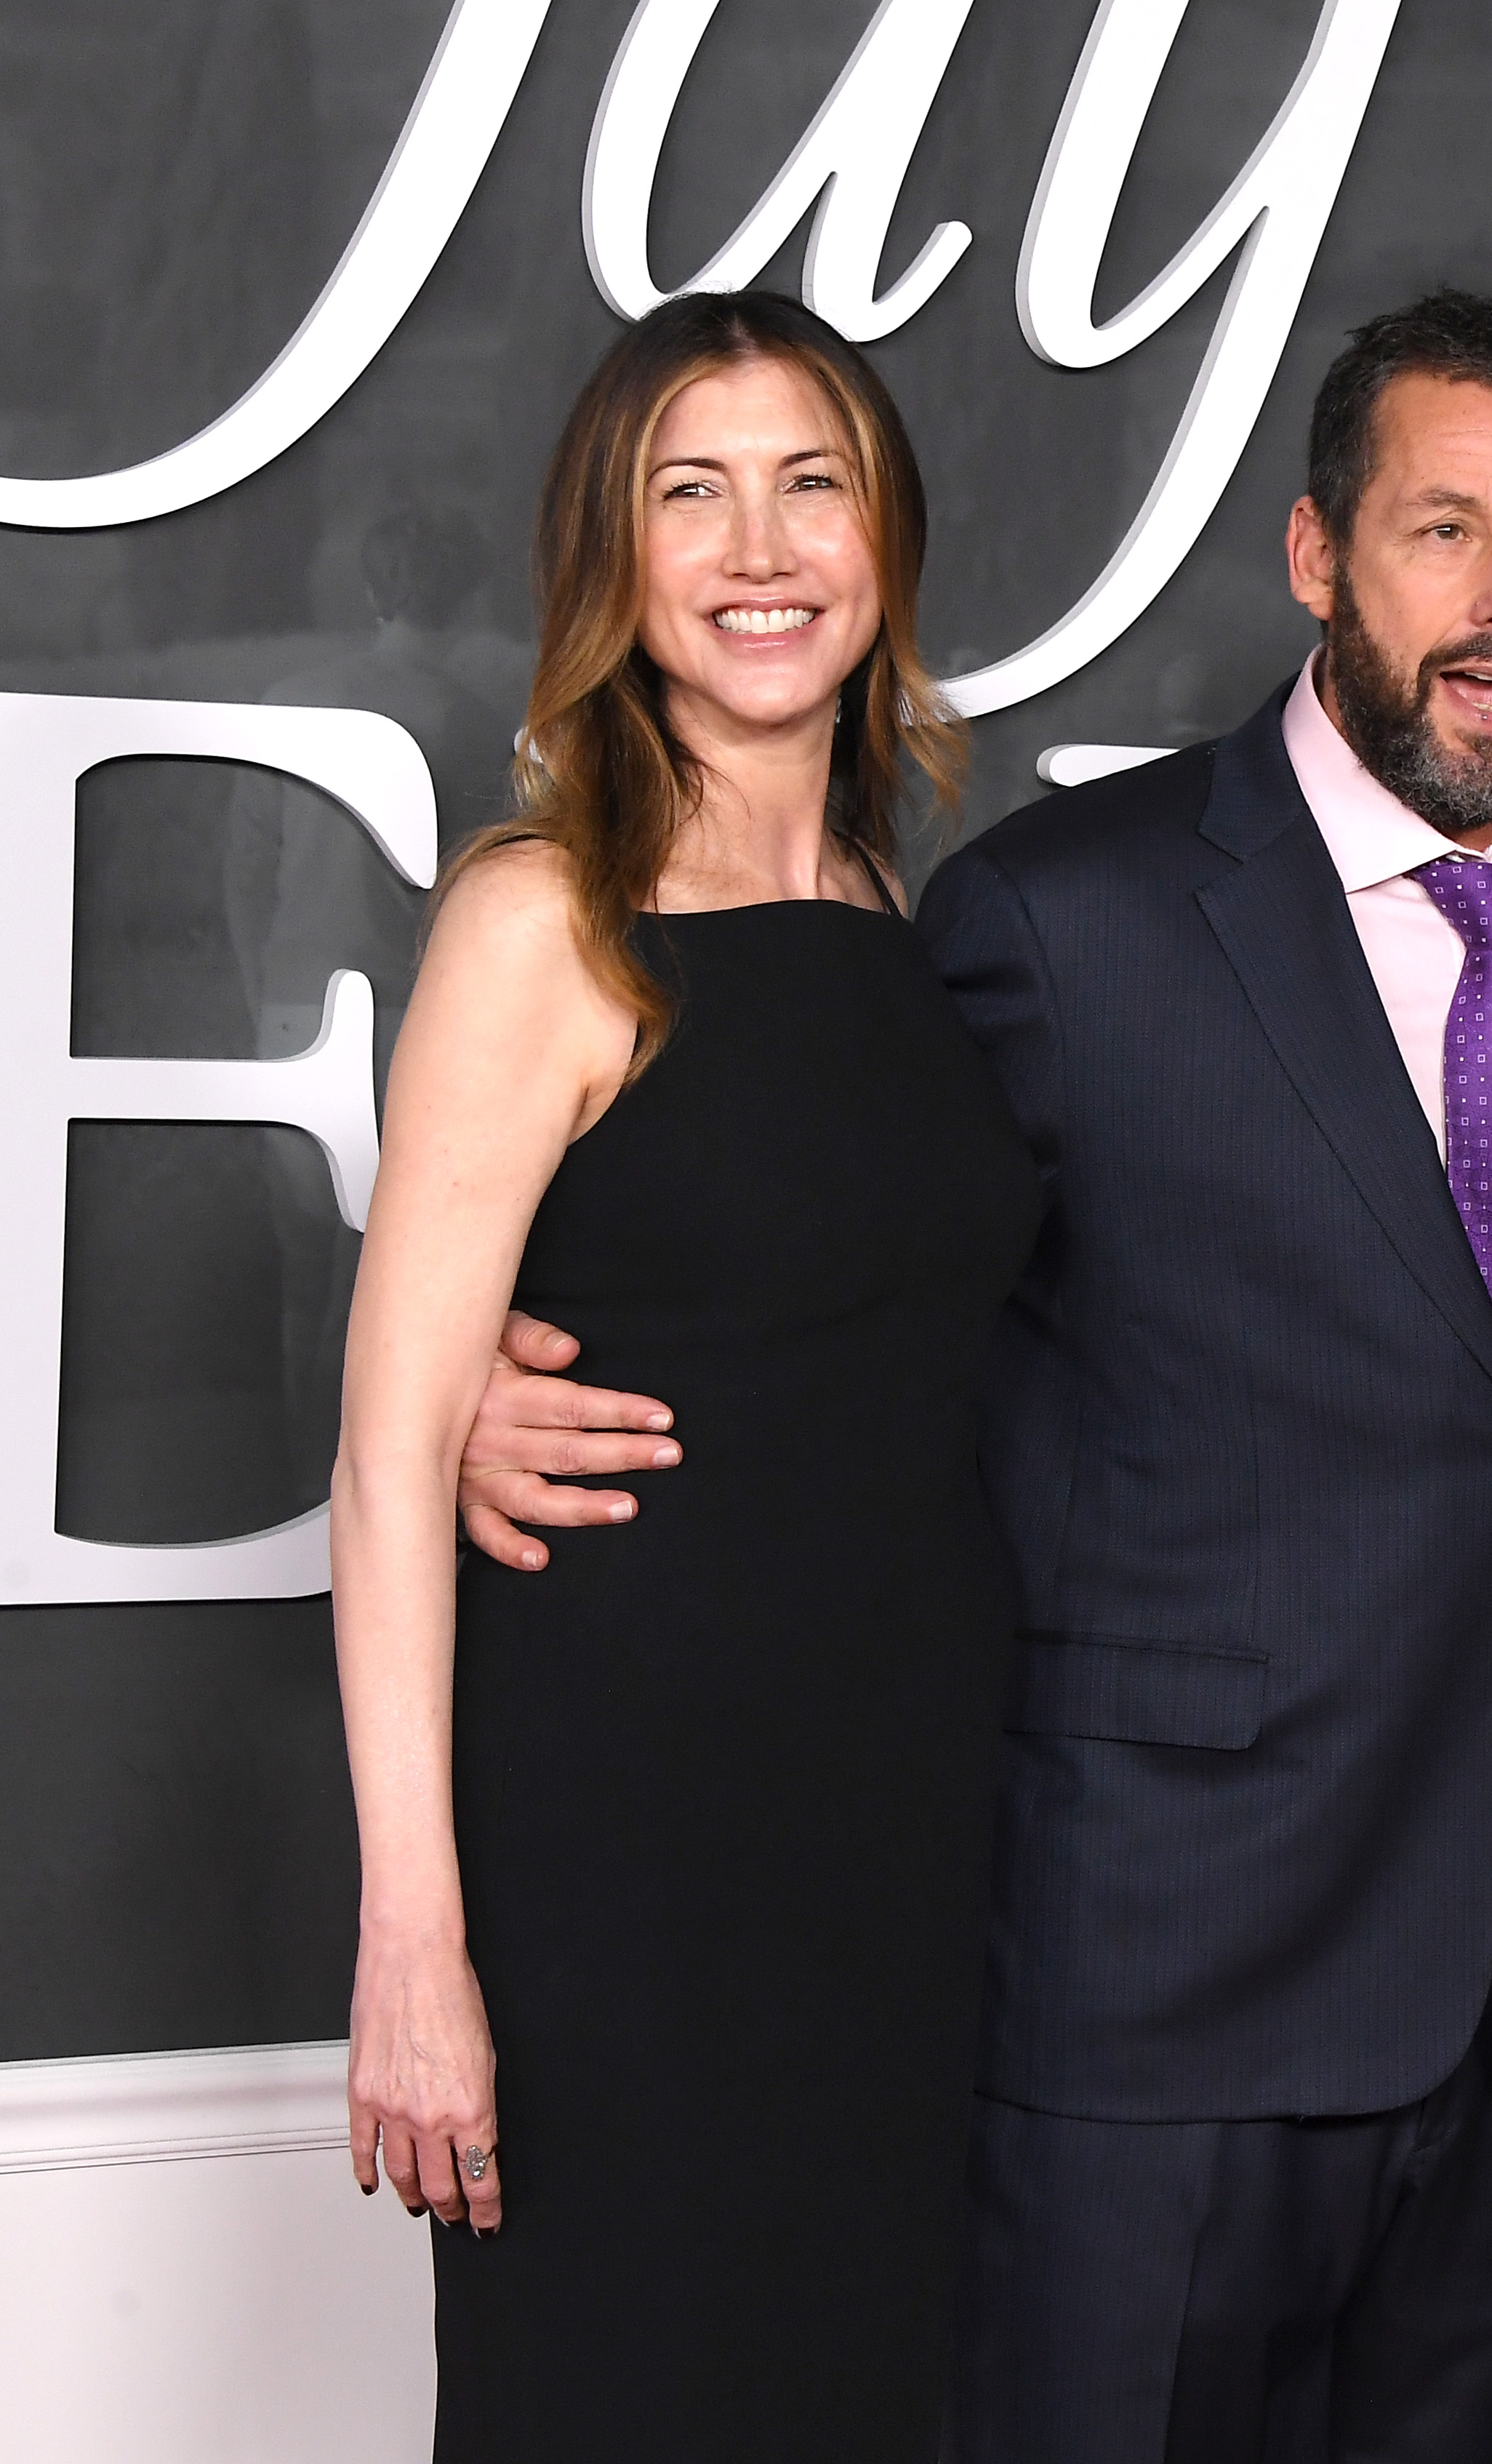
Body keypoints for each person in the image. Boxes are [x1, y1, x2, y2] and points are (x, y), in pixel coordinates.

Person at [455, 289, 1492, 2464]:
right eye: (1444, 529)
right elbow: (820, 1238)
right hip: (1155, 1988)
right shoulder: (1065, 916)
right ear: (1315, 554)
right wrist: (472, 1372)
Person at [331, 291, 1040, 2460]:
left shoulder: (904, 914)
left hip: (905, 1860)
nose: (760, 543)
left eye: (810, 481)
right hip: (620, 1885)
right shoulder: (545, 919)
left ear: (886, 536)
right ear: (612, 554)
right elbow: (379, 1469)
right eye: (691, 489)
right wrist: (416, 1950)